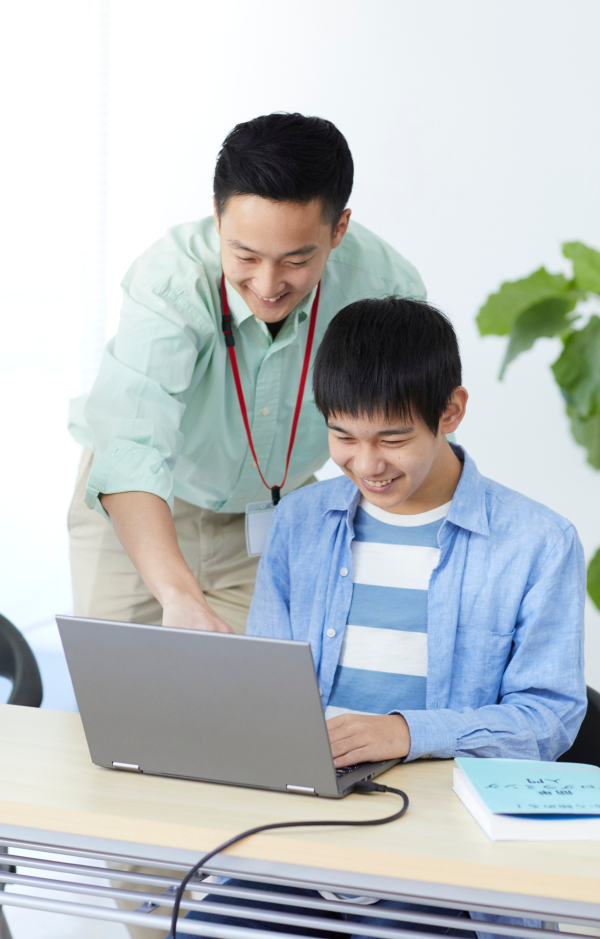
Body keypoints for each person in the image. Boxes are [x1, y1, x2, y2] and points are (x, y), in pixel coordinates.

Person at [171, 297, 587, 939]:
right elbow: (265, 686)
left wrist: (407, 732)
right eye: (343, 437)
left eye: (392, 438)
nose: (367, 464)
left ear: (450, 411)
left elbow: (549, 716)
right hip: (302, 835)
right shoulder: (302, 524)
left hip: (449, 856)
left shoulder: (538, 542)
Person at [68, 112, 426, 641]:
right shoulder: (171, 280)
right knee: (121, 709)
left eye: (297, 259)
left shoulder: (383, 289)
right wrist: (178, 594)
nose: (267, 283)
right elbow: (130, 448)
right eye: (245, 254)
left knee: (249, 711)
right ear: (217, 217)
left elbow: (408, 436)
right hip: (139, 513)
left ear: (338, 229)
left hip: (275, 519)